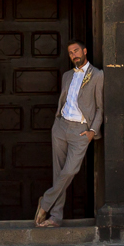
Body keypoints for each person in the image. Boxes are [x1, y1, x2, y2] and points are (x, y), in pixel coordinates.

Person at [32, 39, 102, 227]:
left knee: (70, 170)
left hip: (81, 131)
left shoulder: (97, 75)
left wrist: (92, 131)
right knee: (59, 172)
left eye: (76, 51)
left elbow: (100, 108)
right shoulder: (67, 76)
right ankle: (55, 217)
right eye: (71, 53)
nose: (74, 55)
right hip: (61, 127)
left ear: (85, 51)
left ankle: (45, 202)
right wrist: (57, 123)